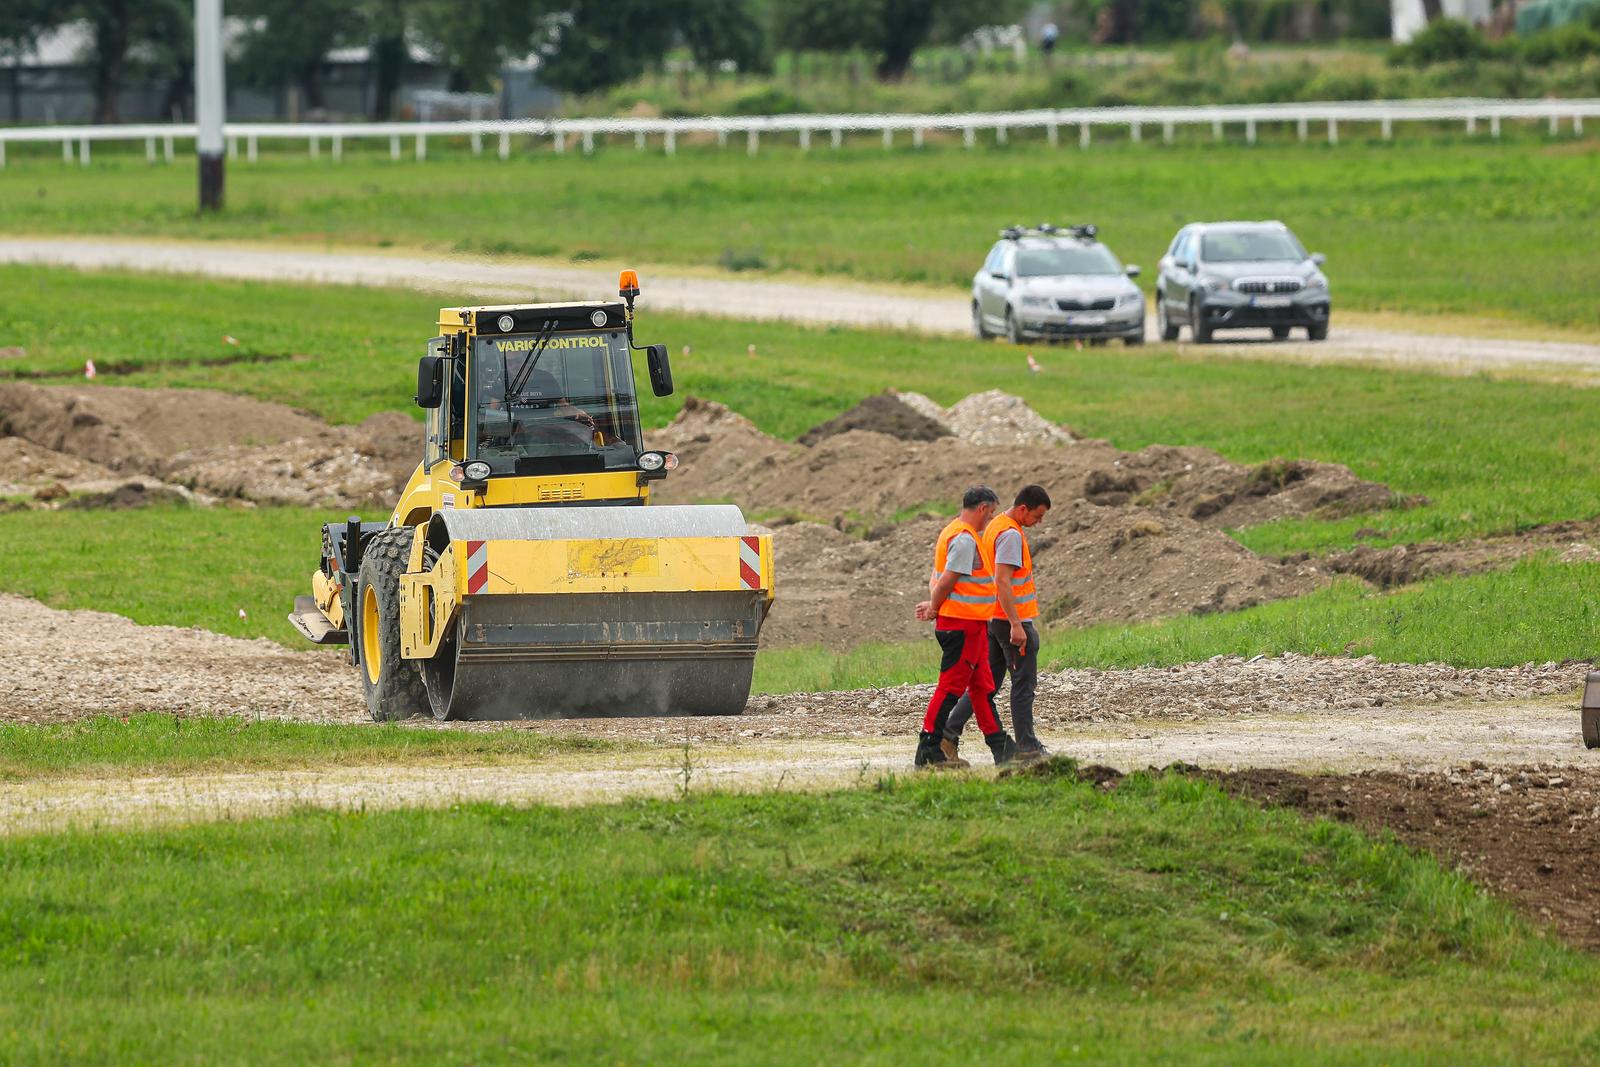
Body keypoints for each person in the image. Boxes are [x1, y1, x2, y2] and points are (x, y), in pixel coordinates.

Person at [942, 485, 1053, 764]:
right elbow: (1002, 581)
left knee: (985, 686)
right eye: (1037, 516)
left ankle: (948, 734)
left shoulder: (995, 525)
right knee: (1023, 685)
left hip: (993, 618)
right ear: (1023, 509)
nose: (1039, 522)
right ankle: (1027, 747)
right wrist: (1016, 624)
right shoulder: (1010, 534)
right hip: (1010, 621)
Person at [913, 486, 1021, 769]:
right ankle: (929, 750)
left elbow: (936, 578)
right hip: (962, 626)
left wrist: (934, 604)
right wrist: (934, 606)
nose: (991, 518)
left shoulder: (956, 533)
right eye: (991, 512)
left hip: (972, 626)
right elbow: (946, 581)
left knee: (982, 688)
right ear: (982, 508)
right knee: (950, 688)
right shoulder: (964, 539)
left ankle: (1002, 749)